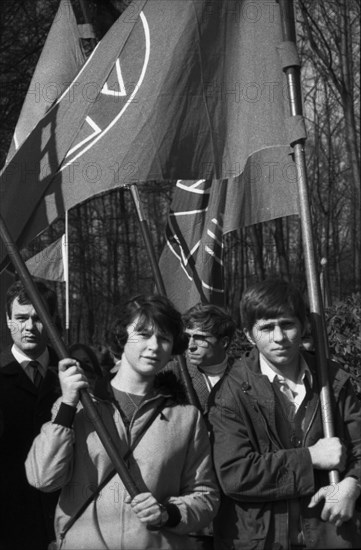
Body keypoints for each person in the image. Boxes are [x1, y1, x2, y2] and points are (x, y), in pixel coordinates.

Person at [25, 294, 219, 550]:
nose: (153, 346)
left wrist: (168, 513)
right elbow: (43, 478)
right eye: (143, 334)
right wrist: (68, 404)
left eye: (163, 338)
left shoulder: (186, 417)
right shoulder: (80, 406)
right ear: (121, 337)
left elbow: (205, 496)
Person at [208, 278, 361, 550]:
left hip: (329, 534)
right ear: (248, 334)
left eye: (287, 324)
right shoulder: (230, 392)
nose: (279, 337)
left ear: (302, 326)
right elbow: (235, 474)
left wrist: (352, 483)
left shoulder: (334, 380)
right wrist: (311, 457)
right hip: (258, 540)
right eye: (266, 328)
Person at [0, 280, 61, 550]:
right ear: (7, 319)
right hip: (8, 520)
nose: (29, 327)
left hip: (64, 515)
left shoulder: (73, 375)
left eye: (38, 318)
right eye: (21, 318)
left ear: (52, 320)